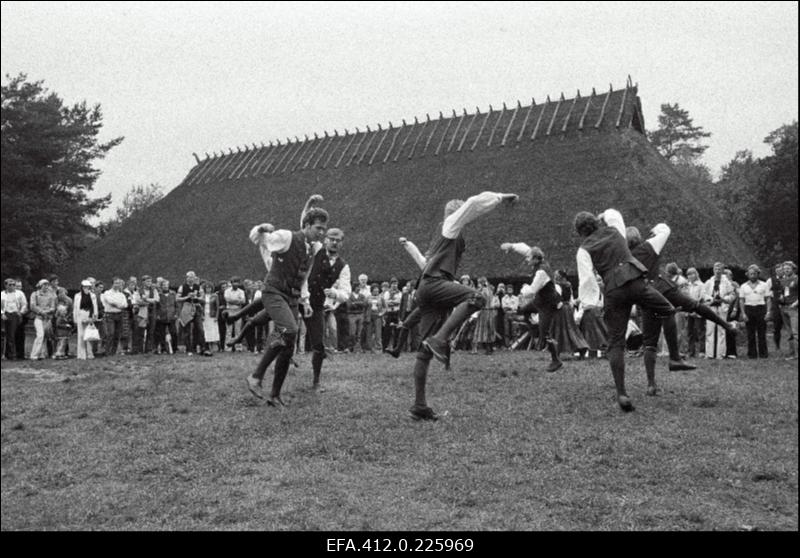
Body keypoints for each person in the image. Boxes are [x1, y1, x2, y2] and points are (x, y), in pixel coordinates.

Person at [410, 191, 518, 421]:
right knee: (477, 298)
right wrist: (501, 197)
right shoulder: (450, 225)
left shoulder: (443, 237)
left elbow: (424, 263)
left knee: (423, 351)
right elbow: (474, 203)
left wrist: (410, 247)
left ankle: (419, 405)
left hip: (428, 287)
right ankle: (440, 340)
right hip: (434, 284)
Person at [574, 209, 674, 412]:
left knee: (616, 343)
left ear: (579, 232)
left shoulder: (583, 249)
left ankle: (621, 392)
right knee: (668, 310)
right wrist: (603, 214)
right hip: (636, 282)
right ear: (596, 222)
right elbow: (614, 213)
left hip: (613, 290)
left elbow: (587, 279)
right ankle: (676, 357)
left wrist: (590, 303)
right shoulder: (615, 229)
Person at [245, 206, 329, 406]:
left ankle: (274, 396)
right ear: (307, 225)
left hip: (292, 297)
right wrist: (260, 228)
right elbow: (258, 239)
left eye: (324, 229)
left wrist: (305, 300)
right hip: (273, 291)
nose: (321, 232)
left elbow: (304, 276)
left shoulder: (315, 248)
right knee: (289, 330)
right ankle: (256, 376)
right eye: (318, 228)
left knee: (287, 346)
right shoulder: (287, 237)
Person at [625, 224, 711, 396]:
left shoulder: (626, 257)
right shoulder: (649, 249)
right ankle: (674, 357)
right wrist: (655, 232)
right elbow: (664, 230)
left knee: (650, 343)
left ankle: (651, 383)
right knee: (668, 319)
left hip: (643, 297)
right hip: (658, 291)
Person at [500, 242, 565, 371]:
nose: (526, 259)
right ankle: (535, 332)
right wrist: (512, 246)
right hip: (540, 301)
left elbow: (531, 291)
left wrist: (523, 288)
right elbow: (525, 248)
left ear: (535, 259)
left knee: (545, 334)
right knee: (524, 310)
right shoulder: (537, 258)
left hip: (548, 304)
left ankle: (556, 360)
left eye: (529, 258)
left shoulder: (541, 272)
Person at [305, 227, 351, 391]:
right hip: (299, 298)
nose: (334, 242)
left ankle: (316, 381)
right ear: (325, 240)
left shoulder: (343, 266)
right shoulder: (316, 249)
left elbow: (346, 292)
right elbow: (305, 229)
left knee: (318, 345)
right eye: (331, 239)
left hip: (316, 305)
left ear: (341, 244)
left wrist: (335, 293)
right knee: (284, 331)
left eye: (338, 240)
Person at [701, 262, 736, 360]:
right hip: (711, 307)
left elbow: (732, 295)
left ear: (722, 270)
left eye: (719, 269)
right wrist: (711, 299)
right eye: (716, 269)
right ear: (713, 270)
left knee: (721, 330)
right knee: (710, 330)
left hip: (722, 307)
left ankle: (720, 354)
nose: (717, 271)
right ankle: (709, 354)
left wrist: (724, 299)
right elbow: (703, 294)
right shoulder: (709, 282)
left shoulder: (727, 282)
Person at [738, 264, 771, 359]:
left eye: (755, 274)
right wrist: (743, 313)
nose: (753, 275)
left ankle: (763, 354)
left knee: (761, 333)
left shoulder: (764, 285)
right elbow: (741, 300)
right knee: (750, 333)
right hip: (749, 309)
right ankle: (752, 354)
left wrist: (768, 312)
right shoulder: (743, 286)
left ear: (758, 274)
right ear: (747, 274)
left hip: (761, 308)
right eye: (751, 274)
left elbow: (768, 299)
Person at [177, 271, 210, 356]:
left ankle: (203, 348)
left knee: (200, 329)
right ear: (186, 278)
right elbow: (177, 299)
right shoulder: (182, 287)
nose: (191, 278)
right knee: (187, 330)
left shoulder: (199, 287)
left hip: (196, 307)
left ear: (195, 277)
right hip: (187, 307)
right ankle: (189, 349)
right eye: (189, 277)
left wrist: (197, 297)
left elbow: (203, 299)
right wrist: (187, 297)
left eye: (192, 277)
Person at [29, 279, 56, 360]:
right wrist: (41, 311)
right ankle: (34, 355)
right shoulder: (35, 294)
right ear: (40, 285)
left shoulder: (51, 295)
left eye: (47, 285)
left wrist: (47, 311)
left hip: (47, 318)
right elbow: (32, 306)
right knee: (40, 335)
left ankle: (42, 354)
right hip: (38, 317)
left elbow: (53, 307)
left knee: (45, 336)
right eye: (44, 284)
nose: (46, 286)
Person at [1, 278, 28, 360]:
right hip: (5, 314)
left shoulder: (19, 293)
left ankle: (13, 354)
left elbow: (24, 304)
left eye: (13, 285)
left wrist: (21, 312)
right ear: (5, 285)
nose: (12, 286)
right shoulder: (2, 294)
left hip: (15, 314)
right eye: (10, 285)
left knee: (12, 335)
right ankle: (6, 354)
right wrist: (2, 313)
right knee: (5, 335)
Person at [101, 277, 129, 355]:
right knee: (111, 333)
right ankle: (107, 351)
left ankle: (113, 351)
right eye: (116, 283)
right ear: (112, 284)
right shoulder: (107, 293)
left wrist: (118, 305)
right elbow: (110, 301)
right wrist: (119, 304)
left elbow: (125, 304)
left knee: (117, 334)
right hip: (110, 315)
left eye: (119, 283)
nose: (117, 285)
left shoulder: (121, 294)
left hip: (119, 315)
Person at [73, 279, 99, 360]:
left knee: (88, 335)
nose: (86, 288)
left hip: (89, 315)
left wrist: (93, 317)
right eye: (84, 287)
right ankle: (81, 354)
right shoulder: (77, 296)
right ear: (81, 287)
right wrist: (75, 319)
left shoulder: (92, 296)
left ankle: (90, 354)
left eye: (88, 287)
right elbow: (75, 308)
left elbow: (94, 307)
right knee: (81, 335)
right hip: (80, 315)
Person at [778, 261, 798, 359]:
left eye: (788, 268)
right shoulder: (783, 280)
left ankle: (797, 354)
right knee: (789, 333)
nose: (786, 270)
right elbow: (783, 292)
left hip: (794, 308)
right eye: (785, 269)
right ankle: (792, 353)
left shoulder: (797, 279)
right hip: (784, 307)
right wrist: (781, 296)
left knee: (795, 332)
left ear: (793, 269)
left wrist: (796, 303)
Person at [684, 268, 706, 358]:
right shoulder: (687, 285)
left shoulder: (701, 285)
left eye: (692, 274)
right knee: (690, 332)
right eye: (689, 274)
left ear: (696, 274)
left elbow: (702, 298)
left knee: (700, 331)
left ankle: (702, 351)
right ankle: (691, 351)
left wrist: (695, 309)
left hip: (698, 310)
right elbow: (685, 297)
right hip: (689, 311)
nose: (691, 276)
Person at [200, 281, 220, 353]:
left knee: (212, 330)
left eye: (209, 288)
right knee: (205, 330)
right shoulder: (202, 296)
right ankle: (206, 346)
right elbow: (200, 306)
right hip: (205, 315)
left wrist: (216, 317)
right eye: (207, 288)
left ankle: (213, 346)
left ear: (212, 288)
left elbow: (217, 307)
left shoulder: (215, 296)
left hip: (212, 315)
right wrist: (201, 315)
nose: (208, 289)